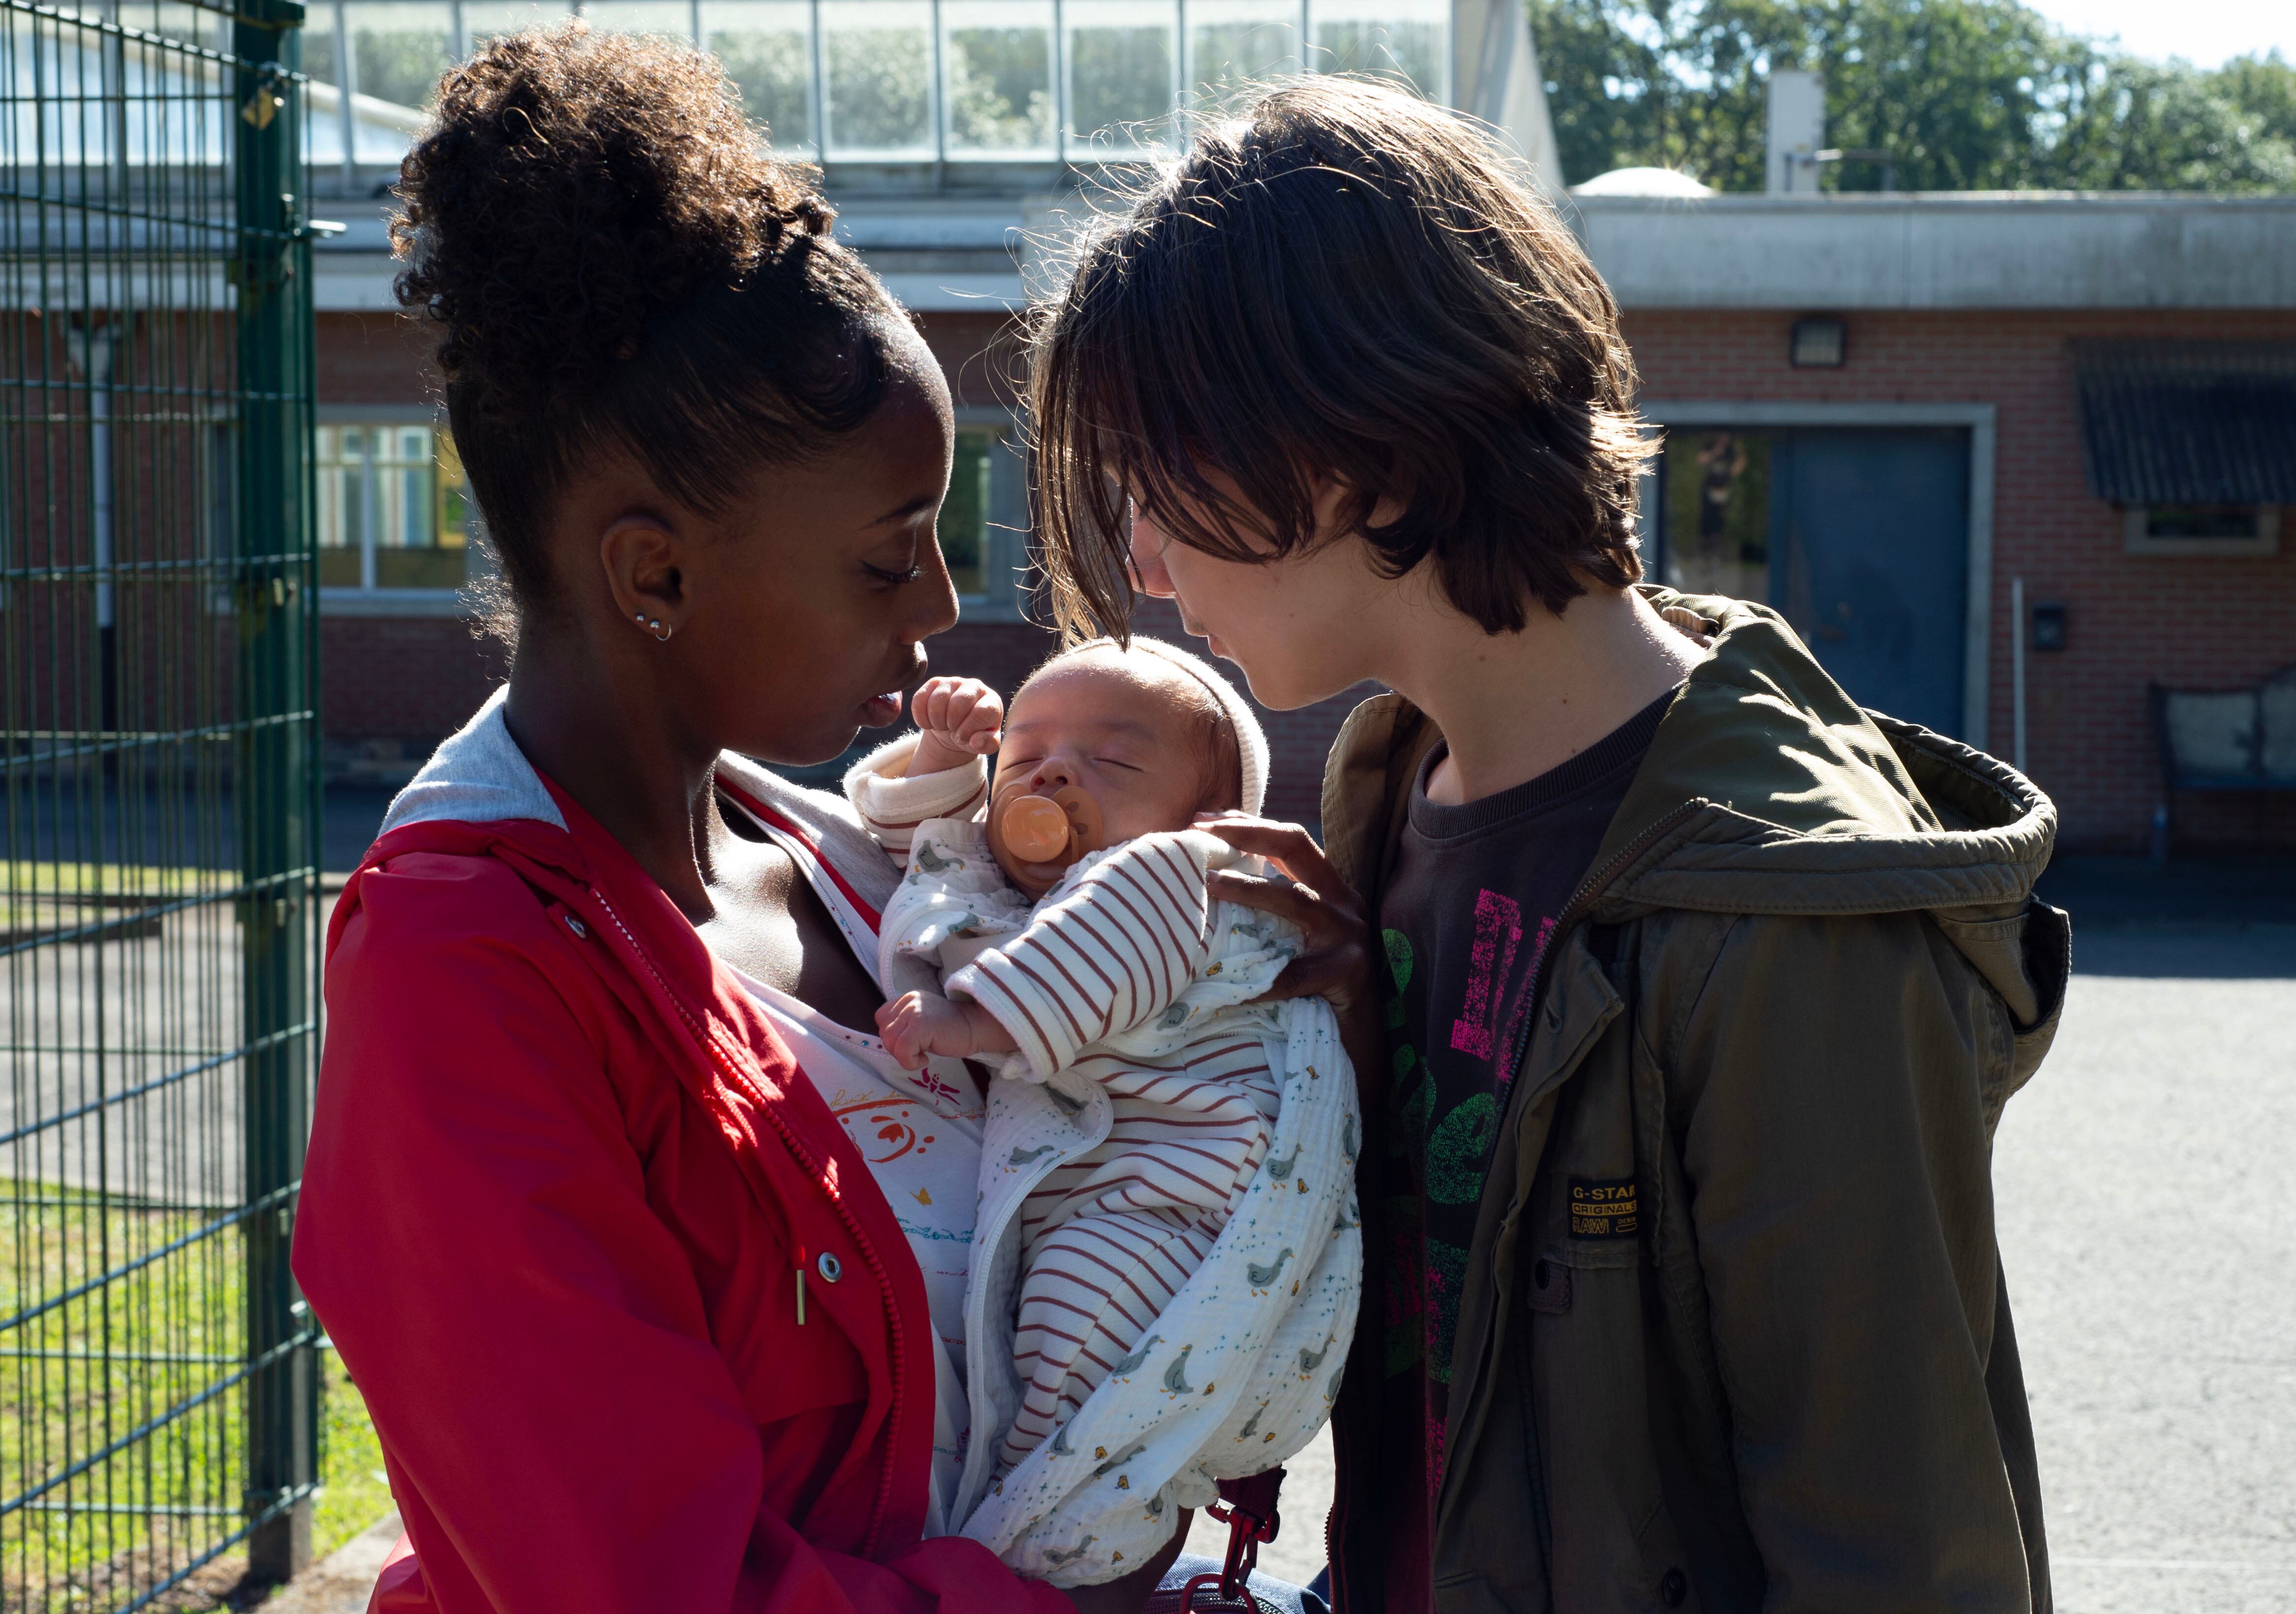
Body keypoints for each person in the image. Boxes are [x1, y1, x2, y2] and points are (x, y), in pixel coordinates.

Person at [293, 26, 1335, 1613]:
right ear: (654, 575)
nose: (939, 603)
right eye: (885, 554)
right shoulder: (464, 970)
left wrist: (1247, 991)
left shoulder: (858, 859)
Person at [1024, 78, 2071, 1614]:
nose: (1145, 561)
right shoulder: (1388, 792)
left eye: (1165, 482)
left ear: (1359, 454)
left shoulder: (1782, 907)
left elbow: (1898, 1553)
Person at [847, 645, 1357, 1587]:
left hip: (1177, 1190)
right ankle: (1040, 1507)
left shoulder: (1182, 875)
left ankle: (1056, 1540)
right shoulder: (1003, 895)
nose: (1054, 774)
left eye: (1112, 761)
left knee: (1082, 1329)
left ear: (1209, 817)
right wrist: (938, 761)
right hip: (1103, 1181)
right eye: (1024, 759)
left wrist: (971, 1019)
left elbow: (1094, 947)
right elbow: (923, 860)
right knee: (1054, 1352)